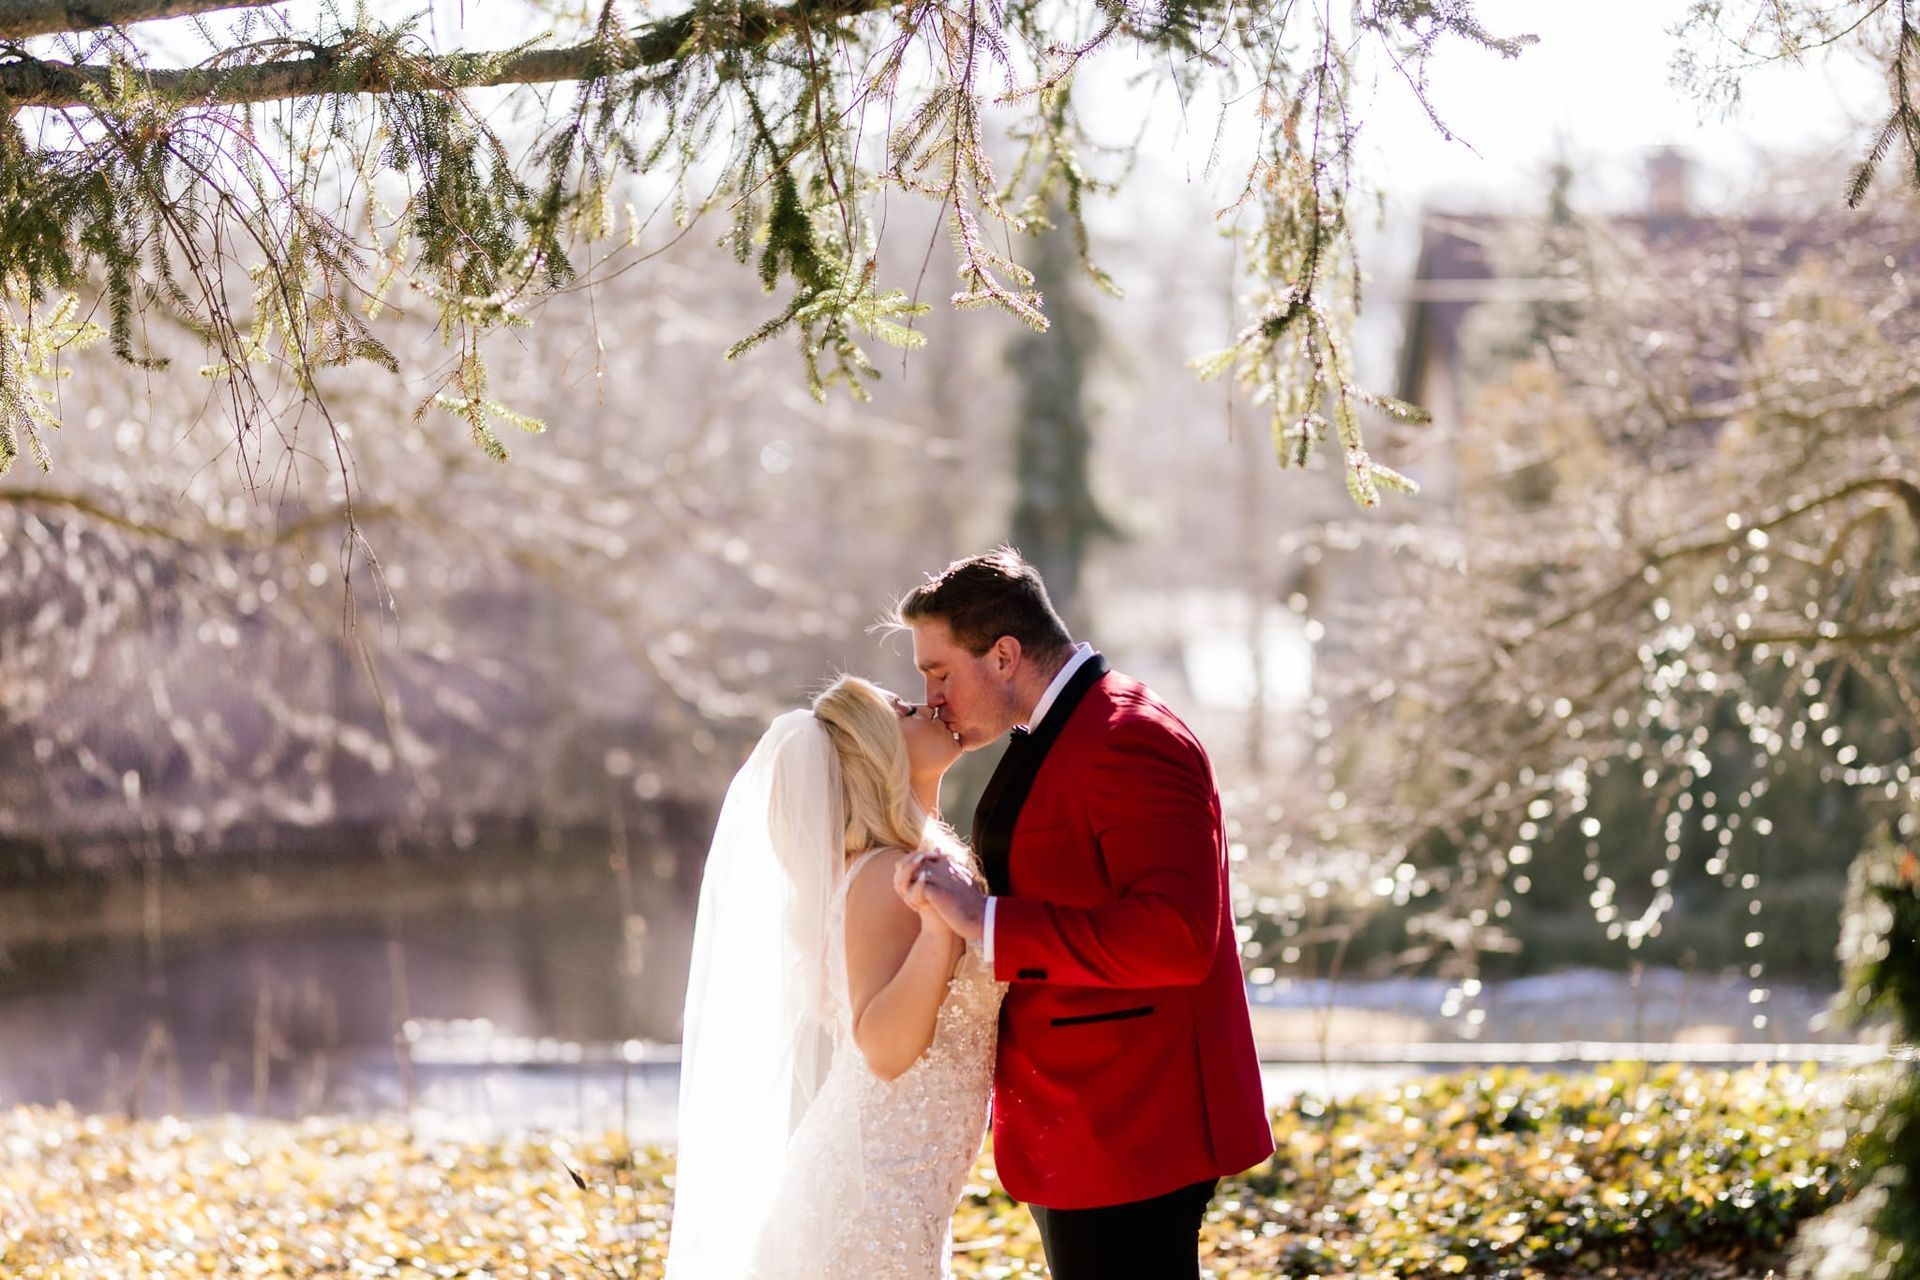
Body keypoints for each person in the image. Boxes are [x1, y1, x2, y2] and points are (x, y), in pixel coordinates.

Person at [895, 548, 1275, 1280]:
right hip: (1081, 1120)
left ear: (1004, 655)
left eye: (938, 673)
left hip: (1133, 1123)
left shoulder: (1130, 737)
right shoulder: (1060, 729)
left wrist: (987, 920)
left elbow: (1178, 936)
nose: (932, 696)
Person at [664, 674, 1005, 1280]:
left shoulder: (908, 863)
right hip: (871, 1203)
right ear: (875, 746)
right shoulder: (884, 875)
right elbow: (883, 1046)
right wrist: (938, 930)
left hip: (898, 1195)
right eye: (903, 707)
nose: (926, 703)